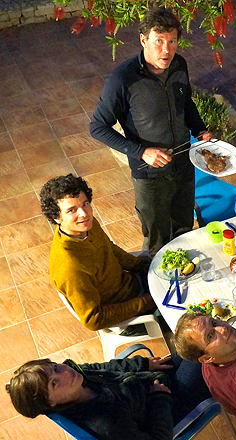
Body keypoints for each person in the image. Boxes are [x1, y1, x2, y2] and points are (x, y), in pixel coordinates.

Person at [90, 7, 210, 257]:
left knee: (184, 230)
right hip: (150, 176)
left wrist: (200, 129)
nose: (166, 50)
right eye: (159, 41)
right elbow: (98, 127)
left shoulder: (179, 65)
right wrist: (142, 152)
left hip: (184, 165)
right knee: (157, 242)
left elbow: (186, 103)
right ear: (143, 40)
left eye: (172, 41)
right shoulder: (122, 79)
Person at [6, 352, 211, 440]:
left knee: (192, 342)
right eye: (54, 383)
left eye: (55, 368)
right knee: (206, 354)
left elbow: (103, 367)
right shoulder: (108, 424)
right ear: (51, 403)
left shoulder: (77, 376)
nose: (65, 372)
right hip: (169, 403)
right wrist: (161, 399)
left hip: (148, 381)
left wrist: (142, 363)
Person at [41, 174, 156, 332]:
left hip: (133, 285)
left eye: (85, 203)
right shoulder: (70, 267)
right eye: (71, 210)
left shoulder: (86, 226)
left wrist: (141, 265)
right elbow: (93, 319)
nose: (84, 213)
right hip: (129, 317)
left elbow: (109, 249)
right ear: (57, 218)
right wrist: (146, 302)